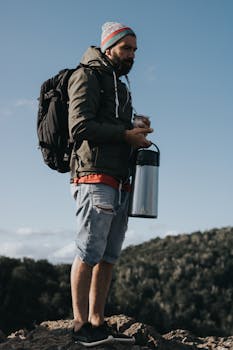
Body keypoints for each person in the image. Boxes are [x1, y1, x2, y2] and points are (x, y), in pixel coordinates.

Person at [68, 21, 153, 347]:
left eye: (134, 50)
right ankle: (79, 327)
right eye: (126, 48)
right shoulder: (87, 76)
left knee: (109, 255)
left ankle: (97, 322)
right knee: (89, 251)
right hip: (93, 175)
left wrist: (135, 129)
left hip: (120, 178)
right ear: (109, 47)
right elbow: (79, 126)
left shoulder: (120, 84)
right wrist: (123, 134)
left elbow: (113, 126)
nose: (132, 55)